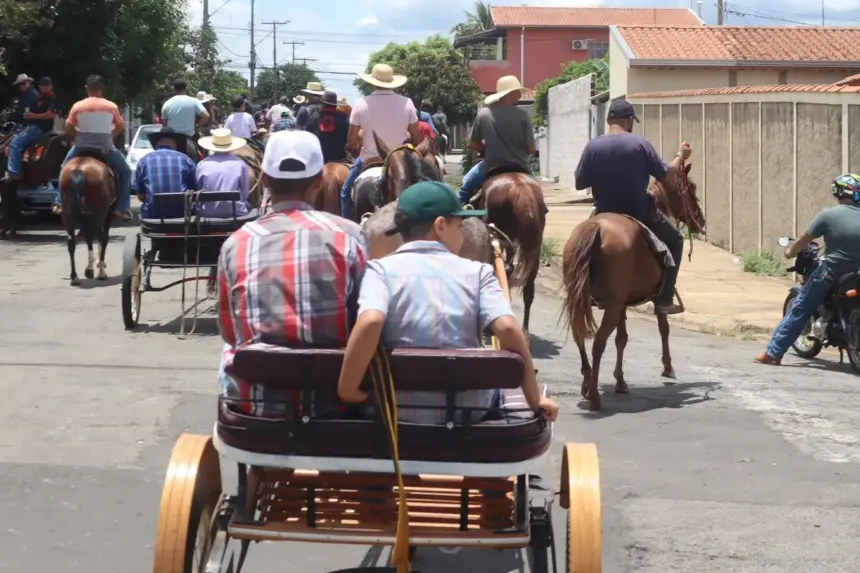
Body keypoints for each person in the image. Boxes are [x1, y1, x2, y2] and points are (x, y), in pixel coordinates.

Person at [337, 180, 558, 424]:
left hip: (396, 407)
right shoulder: (478, 273)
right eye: (460, 226)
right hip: (468, 408)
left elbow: (371, 320)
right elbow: (506, 328)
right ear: (440, 226)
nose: (462, 235)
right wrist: (535, 399)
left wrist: (349, 389)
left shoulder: (378, 270)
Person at [217, 130, 367, 416]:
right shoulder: (350, 236)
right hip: (334, 402)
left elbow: (228, 331)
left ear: (264, 180)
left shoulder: (235, 243)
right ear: (320, 181)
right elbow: (363, 319)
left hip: (259, 404)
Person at [574, 98, 690, 316]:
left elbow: (580, 182)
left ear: (608, 119)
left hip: (603, 210)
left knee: (581, 244)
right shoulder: (640, 144)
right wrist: (680, 156)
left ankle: (587, 291)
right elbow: (665, 174)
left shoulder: (593, 146)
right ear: (629, 121)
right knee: (676, 240)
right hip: (639, 210)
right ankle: (664, 299)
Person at [756, 174, 860, 365]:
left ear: (838, 192)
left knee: (801, 308)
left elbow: (803, 240)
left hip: (832, 272)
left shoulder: (828, 215)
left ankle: (772, 353)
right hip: (857, 275)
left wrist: (789, 253)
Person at [340, 64, 421, 219]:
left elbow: (350, 142)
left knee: (345, 192)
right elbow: (416, 138)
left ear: (372, 82)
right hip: (401, 161)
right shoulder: (407, 102)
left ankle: (348, 227)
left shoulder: (360, 103)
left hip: (368, 159)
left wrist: (359, 141)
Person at [58, 74, 133, 222]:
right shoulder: (111, 106)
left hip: (81, 146)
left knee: (63, 167)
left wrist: (76, 136)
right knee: (125, 172)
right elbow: (120, 126)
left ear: (87, 89)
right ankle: (122, 209)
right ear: (101, 88)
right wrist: (109, 136)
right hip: (105, 147)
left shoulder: (78, 106)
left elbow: (68, 125)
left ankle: (59, 202)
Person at [458, 76, 534, 205]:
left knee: (464, 190)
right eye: (517, 92)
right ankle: (542, 207)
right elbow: (531, 149)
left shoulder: (484, 114)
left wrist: (486, 147)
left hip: (491, 166)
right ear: (509, 94)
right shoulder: (523, 116)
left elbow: (472, 144)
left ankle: (460, 211)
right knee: (537, 193)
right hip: (521, 165)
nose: (520, 96)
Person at [134, 127, 198, 219]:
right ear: (175, 144)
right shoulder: (186, 160)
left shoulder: (143, 161)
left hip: (152, 214)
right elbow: (194, 192)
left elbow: (141, 196)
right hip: (182, 214)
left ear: (156, 145)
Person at [4, 75, 58, 182]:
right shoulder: (38, 99)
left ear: (51, 86)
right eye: (43, 85)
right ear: (39, 86)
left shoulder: (51, 98)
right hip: (31, 126)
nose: (45, 87)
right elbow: (26, 112)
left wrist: (33, 116)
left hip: (39, 128)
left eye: (47, 85)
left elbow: (51, 114)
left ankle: (13, 172)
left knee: (15, 143)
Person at [196, 127, 250, 218]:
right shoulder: (240, 164)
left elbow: (198, 188)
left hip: (207, 212)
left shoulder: (202, 164)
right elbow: (245, 194)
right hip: (236, 211)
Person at [161, 78, 209, 159]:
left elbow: (164, 125)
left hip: (173, 140)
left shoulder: (167, 104)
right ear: (186, 87)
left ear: (174, 88)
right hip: (189, 138)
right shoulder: (193, 101)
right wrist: (197, 125)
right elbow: (206, 116)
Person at [304, 90, 349, 163]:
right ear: (335, 104)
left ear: (322, 103)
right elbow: (347, 138)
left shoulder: (314, 116)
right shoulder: (343, 117)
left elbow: (308, 136)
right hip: (338, 158)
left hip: (317, 158)